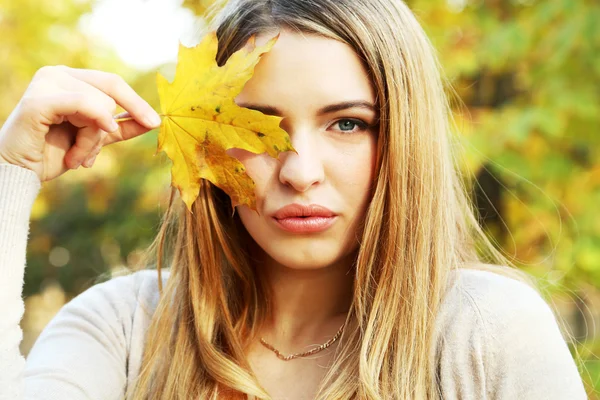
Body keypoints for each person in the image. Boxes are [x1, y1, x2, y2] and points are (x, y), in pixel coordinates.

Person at [0, 0, 588, 399]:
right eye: (256, 130)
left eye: (349, 125)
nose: (300, 172)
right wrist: (10, 175)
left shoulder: (485, 330)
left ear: (406, 138)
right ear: (207, 144)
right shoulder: (125, 328)